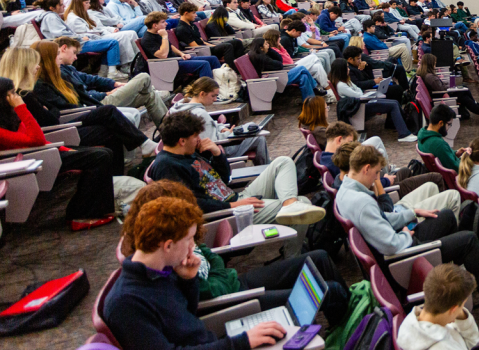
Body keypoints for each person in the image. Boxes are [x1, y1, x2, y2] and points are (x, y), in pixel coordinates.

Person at [335, 144, 479, 328]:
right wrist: (405, 234)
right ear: (366, 168)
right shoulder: (363, 203)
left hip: (398, 249)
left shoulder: (346, 191)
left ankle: (458, 279)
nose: (377, 178)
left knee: (445, 216)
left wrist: (412, 213)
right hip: (404, 258)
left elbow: (382, 218)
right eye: (377, 173)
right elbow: (392, 245)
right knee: (469, 240)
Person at [120, 180, 351, 325]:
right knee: (332, 292)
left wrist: (220, 273)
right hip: (234, 299)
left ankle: (352, 320)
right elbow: (208, 292)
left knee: (318, 257)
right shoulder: (166, 258)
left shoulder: (177, 239)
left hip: (234, 283)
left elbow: (213, 259)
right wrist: (221, 275)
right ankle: (350, 332)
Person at [103, 196, 287, 350]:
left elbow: (185, 318)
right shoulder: (126, 303)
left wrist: (189, 280)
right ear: (168, 245)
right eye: (190, 239)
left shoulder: (159, 270)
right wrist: (241, 342)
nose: (193, 246)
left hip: (210, 341)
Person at [148, 112, 325, 254]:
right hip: (229, 213)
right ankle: (292, 258)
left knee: (283, 162)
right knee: (304, 203)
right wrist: (235, 205)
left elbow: (223, 179)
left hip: (235, 198)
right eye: (195, 136)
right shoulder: (167, 167)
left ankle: (289, 204)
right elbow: (191, 205)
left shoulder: (187, 153)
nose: (199, 140)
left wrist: (217, 154)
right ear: (182, 141)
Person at [0, 75, 117, 230]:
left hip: (41, 153)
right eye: (12, 94)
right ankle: (80, 214)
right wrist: (21, 108)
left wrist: (63, 148)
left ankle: (93, 209)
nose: (16, 97)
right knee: (99, 157)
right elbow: (37, 139)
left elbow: (36, 138)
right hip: (29, 160)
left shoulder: (9, 117)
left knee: (105, 152)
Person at [30, 40, 156, 163]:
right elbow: (61, 111)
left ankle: (138, 151)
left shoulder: (57, 75)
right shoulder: (41, 85)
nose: (60, 58)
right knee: (109, 111)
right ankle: (143, 145)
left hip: (79, 111)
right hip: (68, 122)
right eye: (57, 55)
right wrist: (101, 97)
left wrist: (110, 87)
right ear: (48, 59)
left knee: (132, 107)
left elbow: (82, 90)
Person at [52, 36, 167, 125]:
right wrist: (106, 93)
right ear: (64, 49)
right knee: (143, 77)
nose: (76, 57)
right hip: (98, 104)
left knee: (149, 96)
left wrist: (115, 83)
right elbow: (82, 96)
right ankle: (150, 90)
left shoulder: (68, 68)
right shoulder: (59, 73)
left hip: (99, 100)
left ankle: (169, 133)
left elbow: (92, 79)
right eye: (74, 53)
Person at [168, 77, 269, 165]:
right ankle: (266, 169)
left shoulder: (181, 106)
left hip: (216, 141)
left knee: (251, 126)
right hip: (222, 149)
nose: (215, 99)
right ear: (202, 94)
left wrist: (222, 128)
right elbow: (212, 142)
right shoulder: (200, 114)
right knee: (258, 137)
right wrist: (230, 134)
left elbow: (211, 125)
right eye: (213, 96)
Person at [329, 59, 417, 141]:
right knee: (393, 105)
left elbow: (358, 90)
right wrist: (362, 94)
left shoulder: (346, 81)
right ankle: (404, 134)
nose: (348, 69)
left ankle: (405, 127)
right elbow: (358, 93)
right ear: (341, 70)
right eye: (346, 68)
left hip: (361, 103)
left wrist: (362, 93)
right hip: (359, 107)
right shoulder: (341, 85)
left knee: (395, 102)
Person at [174, 2, 245, 71]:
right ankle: (232, 71)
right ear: (186, 13)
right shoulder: (182, 29)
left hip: (206, 47)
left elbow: (202, 41)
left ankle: (241, 67)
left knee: (237, 42)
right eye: (193, 13)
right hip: (201, 50)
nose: (196, 15)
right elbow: (195, 46)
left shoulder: (192, 25)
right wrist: (213, 47)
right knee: (227, 46)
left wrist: (214, 46)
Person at [418, 53, 479, 121]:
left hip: (441, 94)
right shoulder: (430, 77)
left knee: (463, 88)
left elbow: (440, 86)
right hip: (441, 96)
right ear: (430, 64)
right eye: (434, 62)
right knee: (464, 96)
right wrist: (450, 85)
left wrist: (448, 85)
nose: (435, 64)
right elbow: (441, 88)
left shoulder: (427, 75)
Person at [417, 104, 470, 171]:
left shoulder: (422, 134)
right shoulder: (438, 144)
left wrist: (456, 153)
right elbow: (455, 167)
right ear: (441, 123)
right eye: (449, 124)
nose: (449, 128)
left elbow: (443, 155)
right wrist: (468, 159)